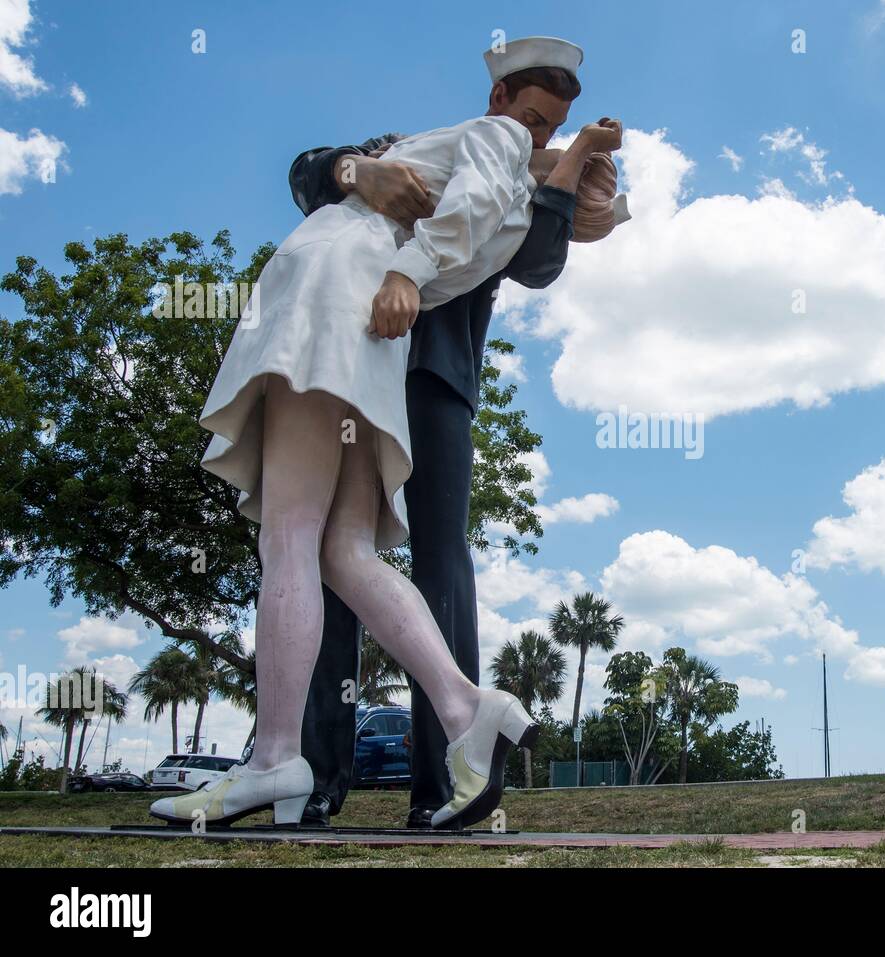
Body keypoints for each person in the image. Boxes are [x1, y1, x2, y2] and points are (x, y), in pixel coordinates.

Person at [150, 36, 625, 829]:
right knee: (339, 550)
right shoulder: (464, 153)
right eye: (535, 118)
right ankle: (452, 710)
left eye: (554, 130)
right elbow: (316, 170)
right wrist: (354, 171)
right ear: (500, 98)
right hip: (374, 333)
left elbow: (545, 244)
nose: (539, 136)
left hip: (363, 322)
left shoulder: (513, 181)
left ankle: (286, 761)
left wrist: (578, 170)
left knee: (299, 536)